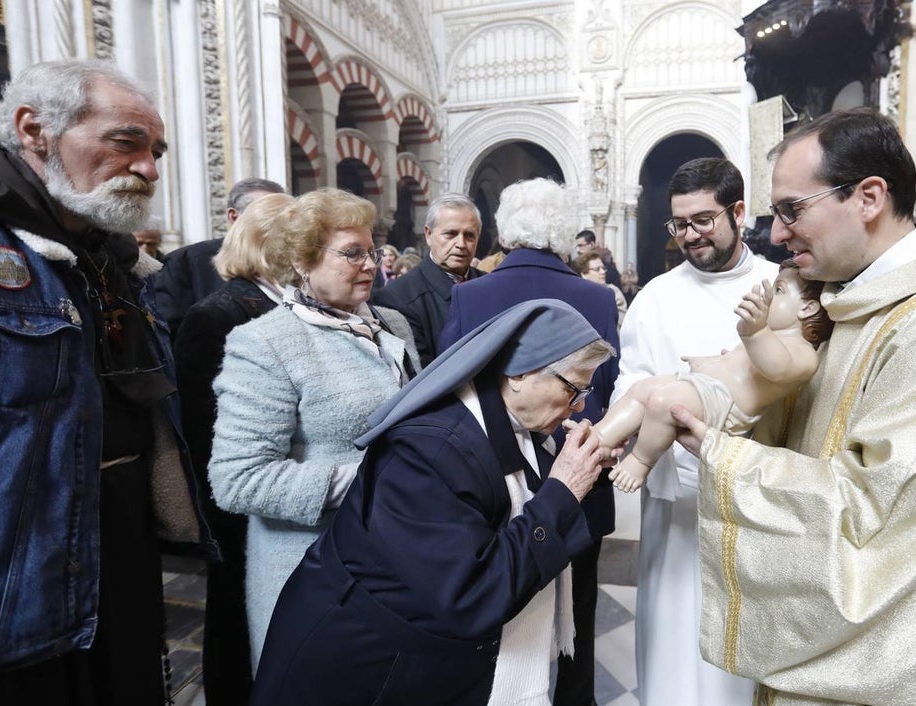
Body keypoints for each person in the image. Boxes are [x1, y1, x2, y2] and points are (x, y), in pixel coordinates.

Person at [671, 108, 916, 704]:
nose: (776, 234)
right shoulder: (856, 303)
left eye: (791, 209)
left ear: (868, 197)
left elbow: (888, 526)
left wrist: (723, 456)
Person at [0, 59, 214, 705]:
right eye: (126, 141)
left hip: (119, 541)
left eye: (157, 151)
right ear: (35, 129)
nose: (149, 169)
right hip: (13, 569)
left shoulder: (112, 259)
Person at [252, 300, 615, 706]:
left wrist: (588, 472)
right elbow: (472, 595)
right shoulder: (428, 452)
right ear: (520, 372)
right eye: (574, 388)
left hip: (418, 656)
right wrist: (564, 489)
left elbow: (535, 493)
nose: (581, 405)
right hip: (365, 669)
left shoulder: (514, 423)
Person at [208, 188, 420, 672]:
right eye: (351, 253)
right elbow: (237, 479)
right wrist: (367, 481)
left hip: (396, 556)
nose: (370, 264)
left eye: (371, 251)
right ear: (303, 260)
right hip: (312, 569)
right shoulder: (265, 342)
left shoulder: (393, 326)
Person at [438, 178, 621, 706]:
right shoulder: (594, 295)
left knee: (500, 602)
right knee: (576, 614)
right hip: (577, 465)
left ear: (506, 228)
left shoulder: (471, 293)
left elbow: (456, 389)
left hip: (495, 476)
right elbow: (599, 389)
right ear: (565, 231)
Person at [614, 157, 776, 705]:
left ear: (738, 211)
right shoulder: (655, 297)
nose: (689, 235)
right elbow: (626, 385)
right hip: (677, 511)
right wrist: (668, 395)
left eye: (703, 220)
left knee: (743, 653)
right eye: (679, 223)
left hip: (756, 504)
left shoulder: (777, 286)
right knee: (674, 649)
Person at [173, 192, 294, 705]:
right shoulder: (217, 315)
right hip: (240, 509)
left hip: (276, 499)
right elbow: (205, 431)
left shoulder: (284, 303)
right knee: (234, 625)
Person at [598, 263, 829, 493]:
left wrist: (755, 331)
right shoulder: (770, 334)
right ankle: (600, 438)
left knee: (663, 401)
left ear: (807, 308)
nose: (767, 298)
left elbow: (776, 367)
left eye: (779, 291)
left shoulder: (804, 353)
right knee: (643, 389)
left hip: (726, 407)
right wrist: (707, 363)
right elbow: (734, 364)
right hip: (706, 387)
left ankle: (640, 460)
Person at [154, 177, 285, 336]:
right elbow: (170, 331)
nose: (279, 225)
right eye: (267, 216)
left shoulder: (297, 262)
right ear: (234, 217)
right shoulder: (186, 262)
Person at [373, 192, 484, 365]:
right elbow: (420, 373)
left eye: (469, 235)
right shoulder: (397, 297)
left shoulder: (490, 286)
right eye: (450, 234)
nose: (461, 244)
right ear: (428, 234)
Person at [573, 250, 627, 327]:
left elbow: (621, 324)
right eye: (597, 269)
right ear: (584, 274)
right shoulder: (576, 294)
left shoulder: (613, 292)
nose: (602, 272)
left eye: (603, 268)